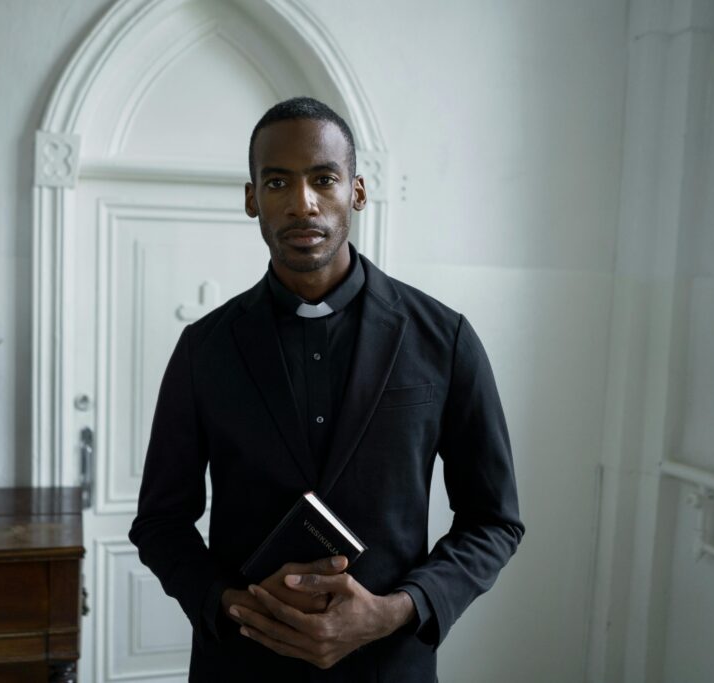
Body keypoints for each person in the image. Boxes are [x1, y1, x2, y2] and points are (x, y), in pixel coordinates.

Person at [129, 97, 523, 682]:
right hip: (242, 665)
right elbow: (160, 522)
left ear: (356, 193)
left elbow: (494, 521)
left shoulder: (445, 338)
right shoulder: (203, 349)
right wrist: (229, 604)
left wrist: (397, 610)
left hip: (388, 666)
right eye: (278, 181)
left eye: (323, 179)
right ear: (251, 198)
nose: (302, 203)